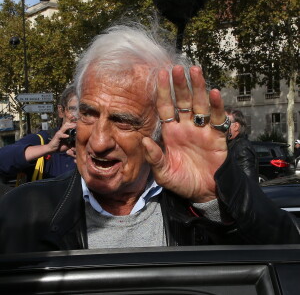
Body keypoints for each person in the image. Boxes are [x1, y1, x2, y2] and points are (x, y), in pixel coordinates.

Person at [0, 21, 299, 254]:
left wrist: (212, 197)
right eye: (88, 114)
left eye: (123, 121)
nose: (99, 141)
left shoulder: (198, 206)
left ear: (161, 129)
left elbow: (287, 260)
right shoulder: (22, 213)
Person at [0, 85, 77, 182]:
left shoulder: (97, 145)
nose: (79, 116)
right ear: (61, 111)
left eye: (87, 111)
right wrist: (48, 148)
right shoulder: (44, 139)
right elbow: (3, 159)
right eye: (74, 110)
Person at [225, 108, 259, 182]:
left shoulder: (242, 148)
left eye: (225, 122)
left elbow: (248, 182)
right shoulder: (230, 144)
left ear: (236, 126)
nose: (221, 126)